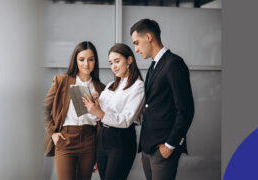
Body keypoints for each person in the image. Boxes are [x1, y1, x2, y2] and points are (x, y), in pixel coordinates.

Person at [130, 18, 195, 180]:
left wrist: (170, 144)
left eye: (137, 43)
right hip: (149, 149)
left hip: (164, 149)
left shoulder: (174, 64)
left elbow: (185, 109)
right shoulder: (153, 66)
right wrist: (144, 149)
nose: (136, 49)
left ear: (149, 37)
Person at [43, 41, 105, 180]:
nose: (86, 64)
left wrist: (98, 151)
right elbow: (44, 109)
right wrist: (53, 133)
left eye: (90, 59)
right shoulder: (62, 81)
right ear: (75, 60)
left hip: (89, 141)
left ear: (95, 61)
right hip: (66, 139)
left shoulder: (101, 88)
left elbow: (102, 120)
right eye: (81, 59)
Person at [83, 43, 145, 180]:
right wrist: (95, 102)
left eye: (117, 61)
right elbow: (98, 114)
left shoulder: (138, 86)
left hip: (121, 140)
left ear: (129, 60)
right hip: (103, 138)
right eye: (111, 63)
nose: (113, 67)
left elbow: (125, 120)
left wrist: (99, 112)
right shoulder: (111, 85)